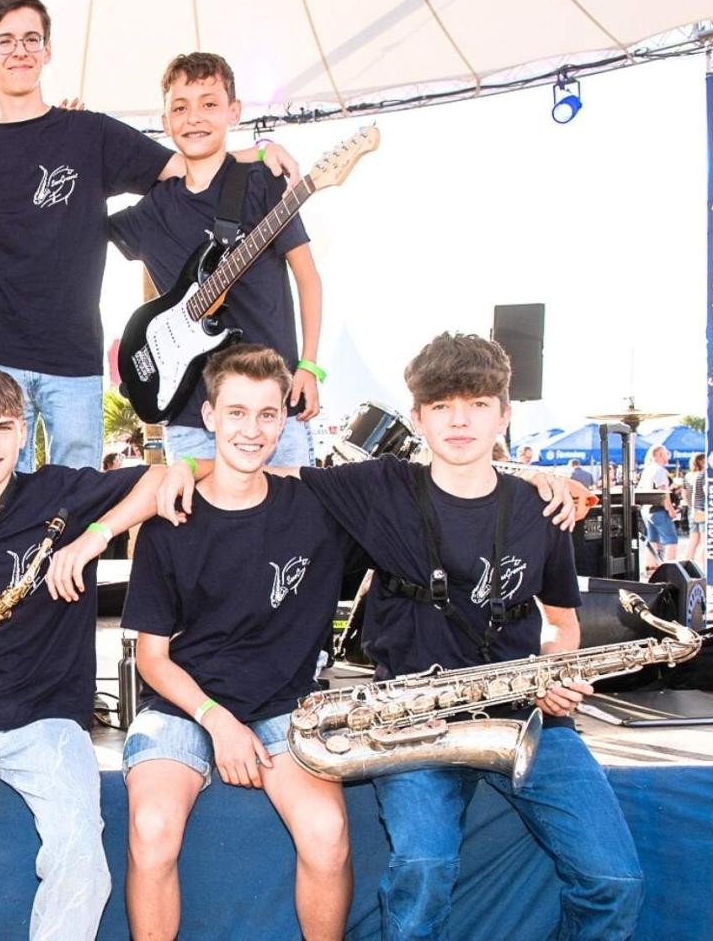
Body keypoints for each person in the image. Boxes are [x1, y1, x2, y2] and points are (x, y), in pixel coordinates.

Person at [163, 332, 639, 940]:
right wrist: (183, 465)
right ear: (416, 418)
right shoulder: (380, 488)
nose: (459, 421)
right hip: (410, 724)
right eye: (441, 407)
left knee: (616, 882)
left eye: (477, 405)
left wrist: (556, 673)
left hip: (524, 716)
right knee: (423, 868)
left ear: (505, 413)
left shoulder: (539, 507)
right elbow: (255, 467)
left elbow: (563, 624)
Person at [0, 364, 203, 938]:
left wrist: (94, 537)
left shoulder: (57, 490)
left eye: (3, 426)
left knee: (81, 861)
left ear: (24, 432)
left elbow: (165, 476)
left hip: (47, 717)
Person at [0, 0, 296, 470]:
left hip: (73, 357)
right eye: (4, 40)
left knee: (80, 495)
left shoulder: (90, 132)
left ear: (48, 51)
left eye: (31, 39)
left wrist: (253, 154)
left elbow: (184, 165)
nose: (19, 51)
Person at [121, 345, 351, 940]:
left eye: (268, 415)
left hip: (283, 706)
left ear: (284, 420)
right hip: (182, 705)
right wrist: (218, 722)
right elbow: (153, 658)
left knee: (327, 835)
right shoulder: (169, 521)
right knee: (151, 830)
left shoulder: (319, 507)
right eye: (237, 413)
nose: (252, 430)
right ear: (210, 417)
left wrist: (532, 477)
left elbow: (429, 485)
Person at [107, 52, 322, 466]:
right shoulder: (151, 210)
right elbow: (78, 218)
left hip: (272, 405)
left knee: (293, 524)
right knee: (201, 530)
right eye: (180, 108)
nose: (195, 118)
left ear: (234, 112)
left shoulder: (263, 184)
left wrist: (310, 366)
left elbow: (308, 278)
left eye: (210, 104)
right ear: (166, 121)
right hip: (189, 414)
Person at [638, 444, 677, 569]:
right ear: (659, 454)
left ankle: (650, 566)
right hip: (659, 509)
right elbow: (663, 492)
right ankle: (670, 568)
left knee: (652, 539)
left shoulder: (647, 469)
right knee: (671, 539)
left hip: (647, 509)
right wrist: (670, 509)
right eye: (666, 453)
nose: (667, 456)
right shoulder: (660, 470)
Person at [681, 453, 707, 562]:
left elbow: (684, 494)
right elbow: (707, 492)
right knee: (704, 541)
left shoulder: (687, 476)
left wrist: (691, 505)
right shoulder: (704, 475)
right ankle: (703, 565)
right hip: (703, 510)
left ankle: (686, 564)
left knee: (693, 540)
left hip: (692, 511)